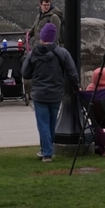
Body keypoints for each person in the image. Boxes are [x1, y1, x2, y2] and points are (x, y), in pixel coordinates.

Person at [21, 23, 78, 162]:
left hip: (40, 93)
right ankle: (46, 149)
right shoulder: (62, 53)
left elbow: (25, 73)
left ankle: (47, 152)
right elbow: (72, 72)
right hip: (56, 93)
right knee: (52, 123)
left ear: (42, 37)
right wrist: (77, 86)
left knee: (43, 124)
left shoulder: (33, 54)